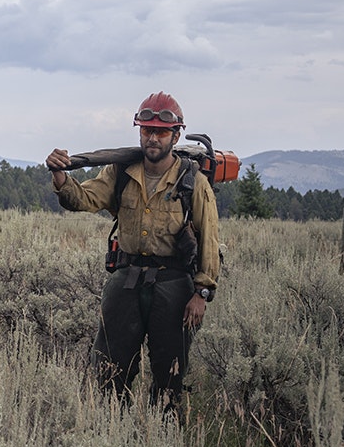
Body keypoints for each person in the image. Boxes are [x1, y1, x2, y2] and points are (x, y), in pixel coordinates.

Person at [46, 92, 220, 409]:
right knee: (109, 368)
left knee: (170, 374)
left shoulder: (192, 182)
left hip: (173, 287)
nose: (153, 138)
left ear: (176, 134)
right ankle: (113, 431)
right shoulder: (119, 173)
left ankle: (163, 438)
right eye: (146, 130)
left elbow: (209, 238)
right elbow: (82, 199)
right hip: (125, 281)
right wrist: (61, 176)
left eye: (161, 132)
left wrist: (202, 293)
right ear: (139, 131)